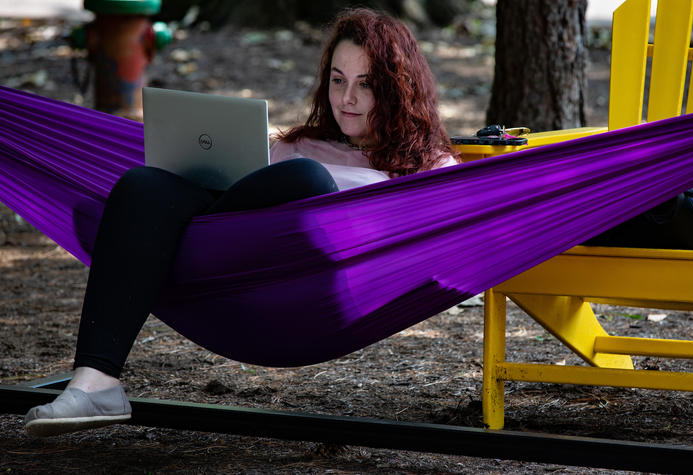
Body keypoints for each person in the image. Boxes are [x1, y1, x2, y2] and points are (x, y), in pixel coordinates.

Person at [23, 8, 458, 437]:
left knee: (306, 178)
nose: (346, 100)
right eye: (338, 80)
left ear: (398, 88)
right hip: (224, 264)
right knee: (141, 185)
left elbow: (452, 228)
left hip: (311, 287)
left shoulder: (429, 166)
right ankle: (96, 381)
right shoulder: (299, 144)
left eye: (367, 85)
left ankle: (151, 237)